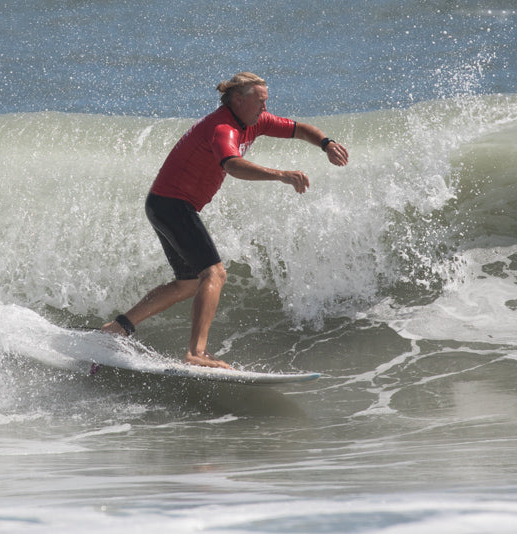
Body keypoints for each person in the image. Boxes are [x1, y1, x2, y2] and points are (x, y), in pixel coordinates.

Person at [101, 72, 349, 368]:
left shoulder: (256, 121)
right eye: (260, 102)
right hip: (171, 205)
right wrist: (281, 175)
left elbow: (299, 129)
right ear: (238, 100)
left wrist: (326, 143)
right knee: (214, 274)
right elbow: (232, 165)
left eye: (266, 102)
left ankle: (118, 328)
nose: (265, 109)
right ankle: (196, 353)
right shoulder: (223, 128)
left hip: (166, 205)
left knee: (188, 283)